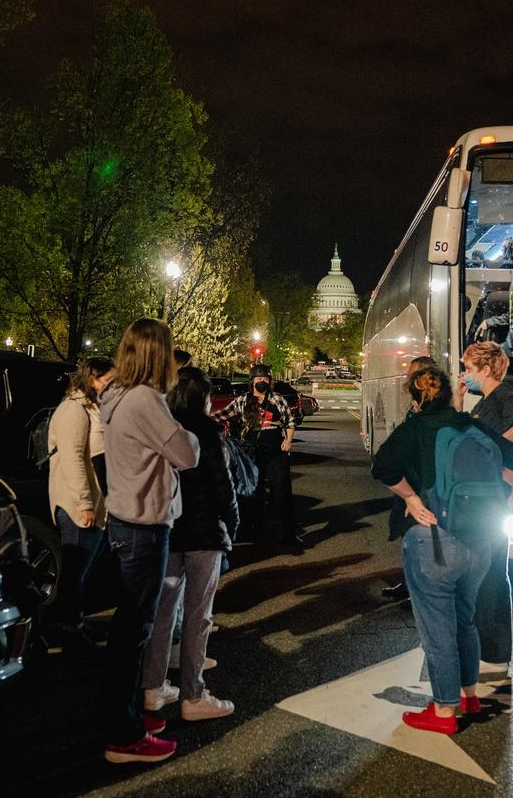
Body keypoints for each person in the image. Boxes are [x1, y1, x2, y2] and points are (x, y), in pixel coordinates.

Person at [370, 367, 513, 734]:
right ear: (451, 393)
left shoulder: (416, 427)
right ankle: (469, 695)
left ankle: (443, 711)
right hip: (481, 540)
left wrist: (410, 498)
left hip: (435, 539)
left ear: (415, 398)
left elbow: (382, 466)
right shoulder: (473, 425)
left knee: (437, 630)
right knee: (465, 621)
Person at [97, 318, 201, 765]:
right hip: (144, 527)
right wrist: (191, 432)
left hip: (123, 521)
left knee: (125, 632)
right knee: (133, 634)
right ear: (158, 355)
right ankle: (124, 733)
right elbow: (187, 454)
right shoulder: (144, 400)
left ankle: (123, 718)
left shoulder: (114, 395)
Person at [142, 367, 238, 722]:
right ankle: (193, 695)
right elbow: (222, 484)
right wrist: (233, 524)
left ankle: (153, 687)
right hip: (203, 533)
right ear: (203, 397)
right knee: (199, 615)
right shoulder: (207, 430)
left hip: (168, 527)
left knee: (163, 611)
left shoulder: (162, 426)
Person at [459, 342, 513, 675]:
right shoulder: (483, 402)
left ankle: (494, 654)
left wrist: (495, 444)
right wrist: (459, 396)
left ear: (486, 370)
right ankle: (487, 649)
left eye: (468, 369)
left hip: (499, 495)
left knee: (492, 574)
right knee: (483, 572)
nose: (465, 374)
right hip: (487, 493)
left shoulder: (503, 397)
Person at [47, 357, 115, 648]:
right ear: (92, 378)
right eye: (108, 380)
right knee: (75, 570)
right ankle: (70, 629)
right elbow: (74, 459)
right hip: (78, 504)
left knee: (84, 570)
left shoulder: (94, 408)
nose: (112, 386)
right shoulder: (73, 410)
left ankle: (77, 623)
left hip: (96, 501)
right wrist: (84, 503)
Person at [212, 364, 303, 548]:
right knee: (254, 492)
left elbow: (290, 422)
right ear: (252, 381)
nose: (262, 382)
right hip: (252, 451)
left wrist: (288, 441)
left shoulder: (277, 399)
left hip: (276, 450)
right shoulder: (243, 401)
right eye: (258, 379)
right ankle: (253, 532)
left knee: (282, 491)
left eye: (265, 379)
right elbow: (223, 414)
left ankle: (289, 534)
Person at [381, 355, 437, 601]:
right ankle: (408, 584)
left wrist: (417, 497)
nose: (406, 379)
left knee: (420, 537)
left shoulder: (434, 410)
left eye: (411, 374)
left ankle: (420, 589)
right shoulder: (417, 406)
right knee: (409, 537)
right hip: (409, 482)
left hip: (421, 486)